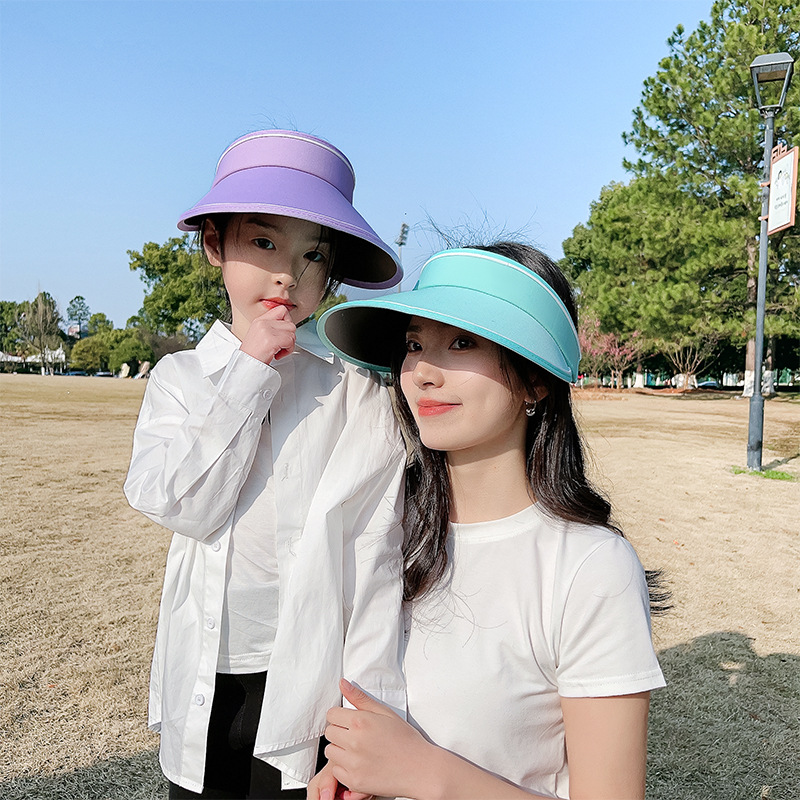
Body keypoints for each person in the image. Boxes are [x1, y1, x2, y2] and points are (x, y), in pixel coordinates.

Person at [313, 243, 668, 800]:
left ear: (536, 381)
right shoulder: (382, 532)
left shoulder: (590, 566)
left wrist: (424, 773)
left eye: (462, 342)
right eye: (413, 345)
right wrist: (358, 768)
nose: (421, 372)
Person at [123, 130, 407, 799]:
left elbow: (376, 551)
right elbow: (182, 505)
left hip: (309, 673)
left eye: (314, 255)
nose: (289, 275)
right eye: (263, 242)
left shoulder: (353, 390)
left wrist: (372, 709)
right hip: (208, 661)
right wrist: (249, 372)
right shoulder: (180, 379)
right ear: (214, 245)